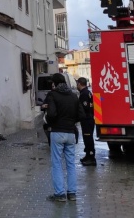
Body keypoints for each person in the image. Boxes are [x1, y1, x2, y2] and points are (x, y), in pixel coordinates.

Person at [44, 73, 85, 202]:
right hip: (71, 133)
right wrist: (71, 122)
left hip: (57, 132)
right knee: (71, 163)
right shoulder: (73, 96)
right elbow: (81, 115)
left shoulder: (52, 95)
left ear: (54, 83)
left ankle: (60, 194)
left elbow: (51, 114)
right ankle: (72, 193)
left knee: (56, 163)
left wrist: (51, 122)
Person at [77, 77, 96, 166]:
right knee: (86, 138)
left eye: (77, 84)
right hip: (89, 119)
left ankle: (91, 157)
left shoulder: (84, 94)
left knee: (88, 138)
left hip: (87, 120)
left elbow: (84, 108)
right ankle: (88, 155)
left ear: (79, 84)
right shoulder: (87, 92)